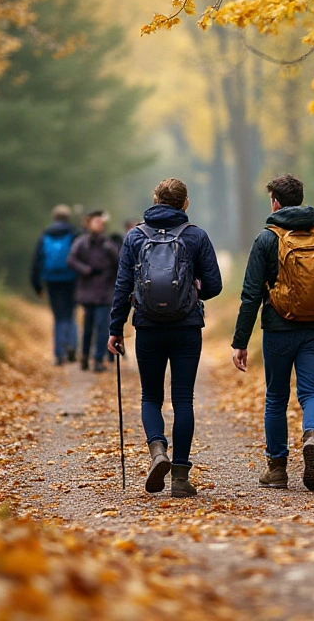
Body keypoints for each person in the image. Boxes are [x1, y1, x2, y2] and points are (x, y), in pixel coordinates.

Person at [231, 174, 314, 492]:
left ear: (275, 202)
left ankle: (277, 470)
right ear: (300, 199)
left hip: (278, 329)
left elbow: (250, 295)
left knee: (276, 397)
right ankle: (312, 435)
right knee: (311, 393)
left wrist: (240, 342)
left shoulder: (266, 240)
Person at [108, 179, 222, 497]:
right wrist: (191, 289)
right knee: (183, 399)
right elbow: (214, 285)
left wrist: (115, 329)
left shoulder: (135, 236)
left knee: (150, 397)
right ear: (185, 204)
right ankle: (181, 480)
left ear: (155, 200)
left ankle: (158, 450)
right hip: (186, 326)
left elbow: (121, 287)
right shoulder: (196, 236)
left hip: (147, 326)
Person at [68, 209, 120, 372]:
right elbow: (71, 260)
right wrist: (86, 270)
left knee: (102, 326)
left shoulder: (108, 245)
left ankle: (98, 359)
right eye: (96, 222)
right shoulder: (81, 243)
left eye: (101, 222)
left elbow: (118, 265)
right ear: (88, 223)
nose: (99, 225)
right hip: (87, 292)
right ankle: (84, 356)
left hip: (105, 293)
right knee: (88, 327)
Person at [31, 204, 79, 366]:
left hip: (51, 281)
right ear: (68, 217)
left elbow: (37, 261)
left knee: (58, 317)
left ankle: (59, 353)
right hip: (71, 279)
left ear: (54, 217)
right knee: (70, 314)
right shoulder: (73, 234)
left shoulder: (45, 235)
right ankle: (72, 346)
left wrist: (37, 286)